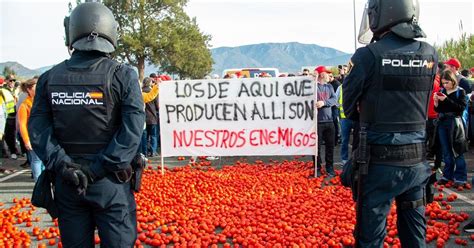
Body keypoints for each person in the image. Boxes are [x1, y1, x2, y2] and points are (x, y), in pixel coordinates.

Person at [28, 2, 145, 247]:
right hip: (110, 183)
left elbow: (38, 129)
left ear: (71, 33)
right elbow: (132, 131)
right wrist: (97, 169)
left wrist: (64, 165)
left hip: (69, 182)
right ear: (111, 32)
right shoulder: (123, 75)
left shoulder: (50, 78)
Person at [341, 0, 437, 247]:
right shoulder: (428, 53)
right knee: (415, 234)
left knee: (370, 237)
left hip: (379, 164)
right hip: (416, 162)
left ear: (379, 15)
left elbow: (349, 107)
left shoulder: (368, 55)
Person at [434, 69, 469, 188]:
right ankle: (447, 175)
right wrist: (436, 103)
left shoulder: (460, 92)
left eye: (447, 82)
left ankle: (460, 177)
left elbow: (461, 108)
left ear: (453, 81)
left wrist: (446, 100)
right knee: (446, 151)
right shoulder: (443, 91)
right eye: (443, 83)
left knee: (457, 150)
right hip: (443, 122)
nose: (445, 85)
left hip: (455, 123)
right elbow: (438, 110)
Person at [17, 78, 44, 181]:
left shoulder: (41, 102)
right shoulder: (24, 105)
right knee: (36, 160)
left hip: (43, 135)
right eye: (35, 87)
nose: (38, 89)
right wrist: (27, 140)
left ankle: (44, 183)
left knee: (44, 160)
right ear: (29, 89)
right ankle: (38, 184)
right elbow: (22, 125)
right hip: (33, 137)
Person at [314, 66, 337, 177]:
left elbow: (334, 99)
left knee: (330, 146)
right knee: (316, 148)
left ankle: (330, 168)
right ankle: (317, 168)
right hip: (316, 122)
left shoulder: (330, 87)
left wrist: (324, 102)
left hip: (329, 121)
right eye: (327, 73)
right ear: (322, 74)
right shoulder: (313, 87)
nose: (329, 76)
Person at [1, 74, 20, 159]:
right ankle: (7, 152)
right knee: (6, 135)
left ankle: (14, 151)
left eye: (14, 80)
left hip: (15, 116)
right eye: (11, 80)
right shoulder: (2, 91)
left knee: (13, 135)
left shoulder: (15, 90)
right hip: (6, 117)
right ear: (6, 81)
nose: (12, 82)